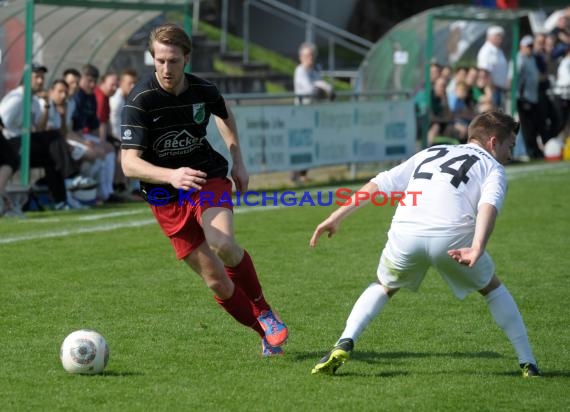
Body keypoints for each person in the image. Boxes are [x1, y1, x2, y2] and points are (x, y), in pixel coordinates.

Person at [309, 110, 541, 378]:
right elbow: (488, 206)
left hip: (406, 231)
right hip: (451, 237)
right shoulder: (493, 167)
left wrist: (336, 216)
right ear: (492, 142)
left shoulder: (432, 151)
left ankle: (345, 341)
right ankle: (528, 362)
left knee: (384, 286)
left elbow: (380, 182)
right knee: (492, 289)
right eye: (509, 146)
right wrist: (477, 246)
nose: (510, 153)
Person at [120, 23, 288, 356]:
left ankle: (264, 309)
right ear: (153, 59)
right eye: (160, 61)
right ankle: (264, 332)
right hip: (164, 196)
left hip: (205, 177)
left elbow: (224, 114)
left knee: (222, 242)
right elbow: (128, 164)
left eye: (173, 61)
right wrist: (169, 176)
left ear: (187, 58)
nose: (166, 69)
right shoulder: (140, 100)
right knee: (217, 282)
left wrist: (238, 159)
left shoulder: (202, 89)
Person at [0, 63, 79, 210]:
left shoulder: (34, 101)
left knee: (52, 157)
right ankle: (71, 177)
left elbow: (39, 129)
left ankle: (60, 200)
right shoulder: (16, 99)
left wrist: (47, 106)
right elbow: (1, 120)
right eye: (37, 77)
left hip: (26, 143)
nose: (41, 81)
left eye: (42, 77)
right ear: (26, 79)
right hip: (10, 144)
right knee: (53, 137)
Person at [292, 42, 334, 184]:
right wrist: (322, 90)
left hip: (311, 113)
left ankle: (303, 173)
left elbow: (322, 86)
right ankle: (296, 174)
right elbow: (311, 90)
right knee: (299, 144)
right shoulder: (300, 71)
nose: (310, 58)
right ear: (300, 57)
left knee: (310, 143)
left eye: (311, 55)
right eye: (307, 55)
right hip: (301, 113)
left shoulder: (314, 72)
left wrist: (326, 90)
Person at [515, 35, 542, 159]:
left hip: (533, 96)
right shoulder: (519, 58)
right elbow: (517, 77)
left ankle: (534, 150)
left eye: (532, 46)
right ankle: (530, 151)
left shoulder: (531, 58)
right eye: (528, 46)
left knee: (534, 125)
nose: (530, 48)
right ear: (522, 47)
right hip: (524, 97)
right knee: (527, 127)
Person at [477, 26, 509, 109]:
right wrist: (489, 92)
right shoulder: (486, 51)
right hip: (492, 90)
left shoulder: (498, 50)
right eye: (497, 35)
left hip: (499, 90)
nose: (500, 38)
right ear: (490, 37)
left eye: (501, 36)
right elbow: (484, 73)